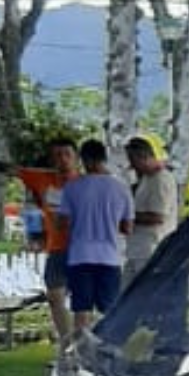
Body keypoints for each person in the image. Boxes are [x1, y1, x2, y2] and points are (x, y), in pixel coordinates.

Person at [58, 139, 134, 335]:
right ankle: (107, 351)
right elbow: (127, 227)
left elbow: (63, 224)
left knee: (81, 311)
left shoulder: (72, 188)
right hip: (109, 256)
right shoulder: (121, 188)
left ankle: (81, 354)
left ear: (83, 159)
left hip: (80, 255)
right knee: (109, 311)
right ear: (104, 158)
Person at [14, 137, 79, 344]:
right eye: (57, 155)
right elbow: (15, 170)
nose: (62, 160)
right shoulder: (42, 179)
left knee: (83, 300)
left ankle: (84, 341)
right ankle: (67, 341)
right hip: (57, 248)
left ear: (75, 158)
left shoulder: (84, 182)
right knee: (54, 295)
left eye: (67, 154)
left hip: (82, 248)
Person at [124, 133, 179, 280]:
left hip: (150, 250)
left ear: (143, 157)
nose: (131, 166)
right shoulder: (147, 178)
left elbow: (157, 216)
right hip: (137, 250)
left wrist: (127, 217)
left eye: (133, 161)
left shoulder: (160, 180)